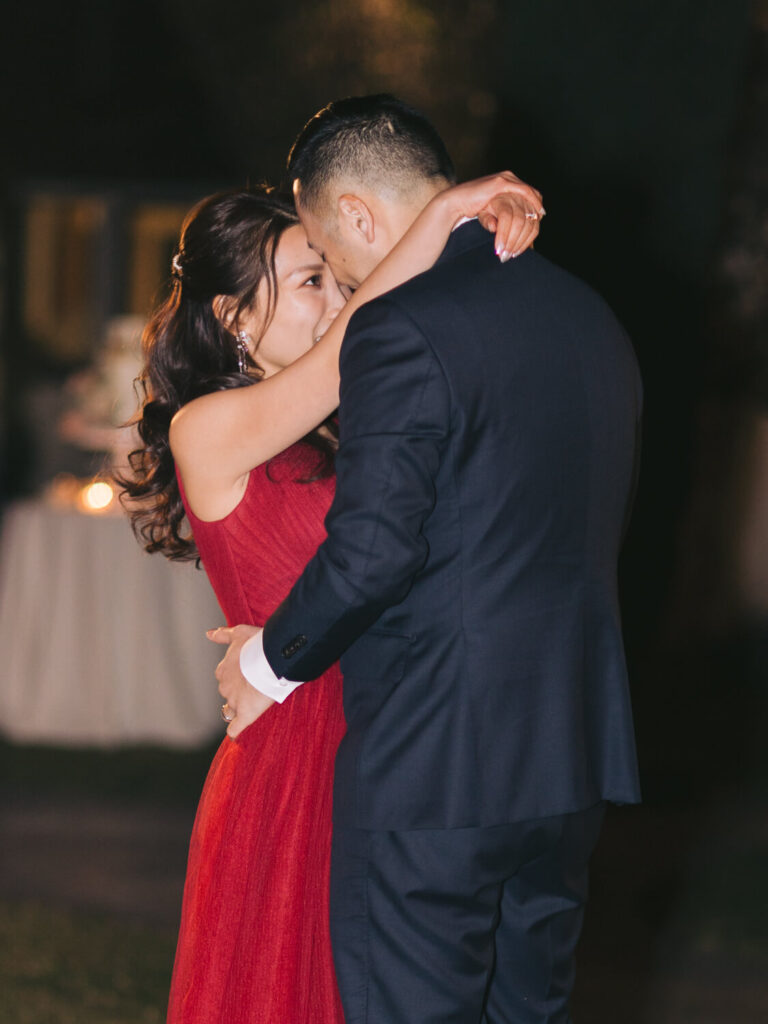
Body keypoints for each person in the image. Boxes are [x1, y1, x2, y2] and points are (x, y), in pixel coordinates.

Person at [212, 94, 642, 1024]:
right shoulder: (590, 316)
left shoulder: (400, 329)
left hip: (435, 767)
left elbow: (372, 551)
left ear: (359, 217)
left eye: (329, 255)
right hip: (569, 762)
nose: (342, 281)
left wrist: (263, 662)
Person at [119, 176, 543, 1023]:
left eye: (335, 277)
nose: (340, 296)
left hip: (393, 736)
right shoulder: (202, 427)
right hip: (292, 759)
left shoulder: (355, 426)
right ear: (235, 317)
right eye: (312, 280)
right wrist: (445, 214)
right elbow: (357, 340)